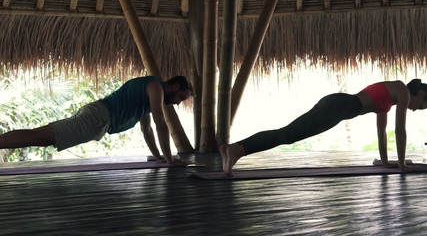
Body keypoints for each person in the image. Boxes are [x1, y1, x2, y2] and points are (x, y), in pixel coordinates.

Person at [221, 79, 427, 176]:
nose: (417, 110)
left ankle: (234, 148)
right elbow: (400, 130)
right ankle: (238, 149)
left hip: (338, 104)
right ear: (420, 94)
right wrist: (402, 166)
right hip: (341, 106)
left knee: (288, 134)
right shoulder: (402, 91)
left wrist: (386, 162)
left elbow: (382, 134)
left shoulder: (388, 98)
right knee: (288, 134)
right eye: (422, 105)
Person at [0, 75, 194, 166]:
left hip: (97, 115)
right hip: (97, 117)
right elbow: (160, 123)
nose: (178, 104)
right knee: (41, 138)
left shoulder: (148, 96)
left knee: (39, 135)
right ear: (173, 86)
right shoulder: (155, 87)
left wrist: (160, 157)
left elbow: (148, 130)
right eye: (180, 98)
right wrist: (170, 161)